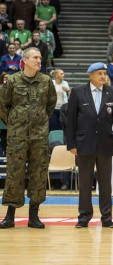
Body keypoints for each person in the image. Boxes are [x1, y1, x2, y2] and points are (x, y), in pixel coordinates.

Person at [0, 47, 56, 229]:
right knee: (14, 173)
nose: (39, 60)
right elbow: (3, 105)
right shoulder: (13, 81)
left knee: (38, 173)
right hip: (17, 136)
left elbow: (50, 105)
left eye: (40, 58)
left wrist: (38, 122)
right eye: (35, 57)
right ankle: (10, 215)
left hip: (39, 136)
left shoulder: (46, 81)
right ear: (24, 60)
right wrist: (15, 123)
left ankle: (34, 215)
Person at [66, 62, 113, 228]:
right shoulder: (77, 92)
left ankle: (107, 218)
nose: (103, 76)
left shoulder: (112, 93)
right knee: (84, 183)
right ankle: (83, 218)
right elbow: (71, 121)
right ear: (90, 75)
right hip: (84, 144)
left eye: (105, 73)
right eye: (100, 73)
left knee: (105, 184)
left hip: (106, 144)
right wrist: (71, 144)